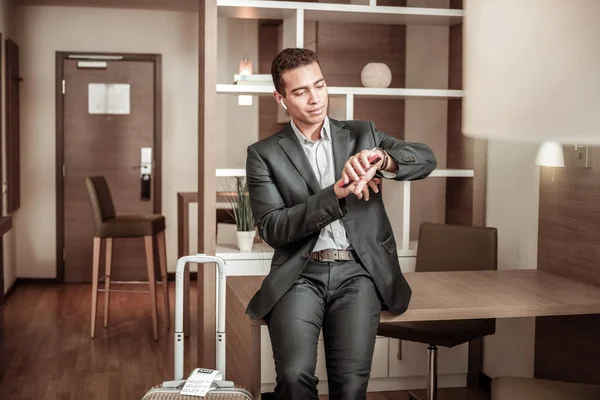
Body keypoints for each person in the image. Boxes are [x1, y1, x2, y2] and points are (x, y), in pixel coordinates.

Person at [244, 48, 437, 400]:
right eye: (301, 91)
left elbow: (425, 158)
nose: (315, 98)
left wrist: (384, 160)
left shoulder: (363, 134)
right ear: (281, 98)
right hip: (299, 275)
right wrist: (335, 193)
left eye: (319, 85)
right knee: (293, 375)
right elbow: (273, 228)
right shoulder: (264, 154)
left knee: (350, 387)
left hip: (358, 272)